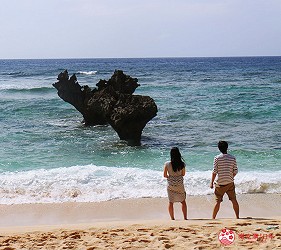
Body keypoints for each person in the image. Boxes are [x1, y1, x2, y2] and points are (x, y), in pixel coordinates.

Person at [210, 141, 239, 219]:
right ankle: (237, 217)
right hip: (230, 182)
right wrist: (230, 177)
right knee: (234, 200)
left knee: (217, 202)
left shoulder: (217, 158)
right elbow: (235, 170)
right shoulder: (232, 158)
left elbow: (215, 171)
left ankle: (213, 218)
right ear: (227, 148)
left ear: (219, 149)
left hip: (220, 183)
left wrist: (211, 182)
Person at [163, 147, 187, 220]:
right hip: (179, 184)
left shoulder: (167, 164)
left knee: (171, 202)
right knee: (183, 201)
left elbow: (164, 175)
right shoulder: (182, 164)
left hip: (171, 184)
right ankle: (185, 218)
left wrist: (170, 177)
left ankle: (172, 218)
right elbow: (183, 174)